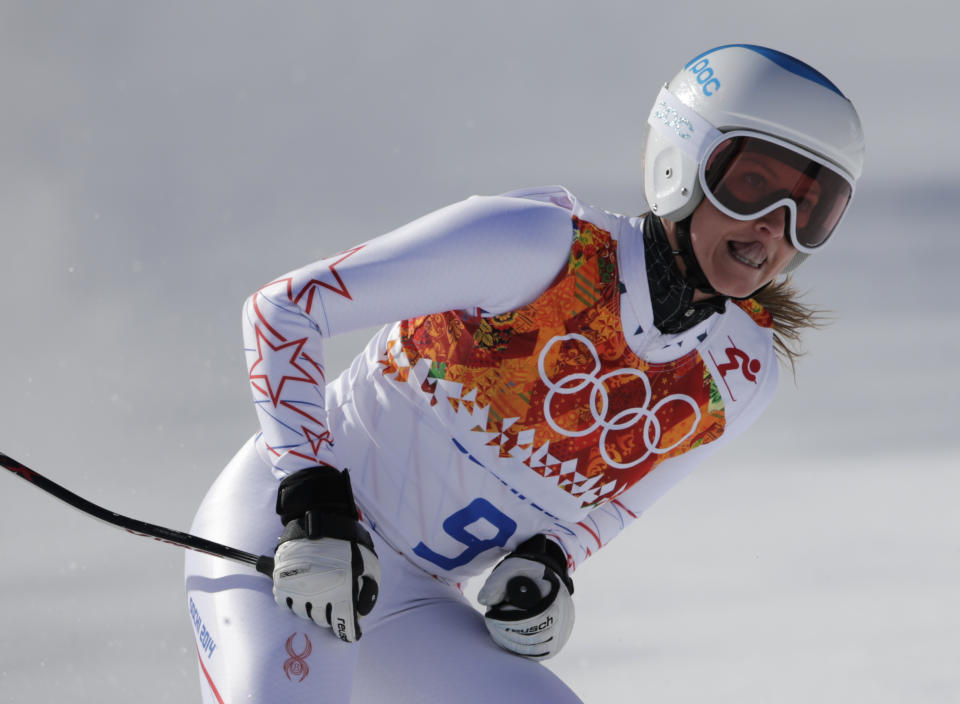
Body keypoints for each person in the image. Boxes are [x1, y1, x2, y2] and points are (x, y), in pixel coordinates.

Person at [184, 44, 864, 703]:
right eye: (750, 185)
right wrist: (311, 500)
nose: (775, 228)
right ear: (680, 164)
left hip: (412, 601)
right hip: (277, 539)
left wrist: (549, 561)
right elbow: (285, 310)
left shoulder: (738, 374)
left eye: (811, 209)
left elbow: (618, 503)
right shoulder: (538, 248)